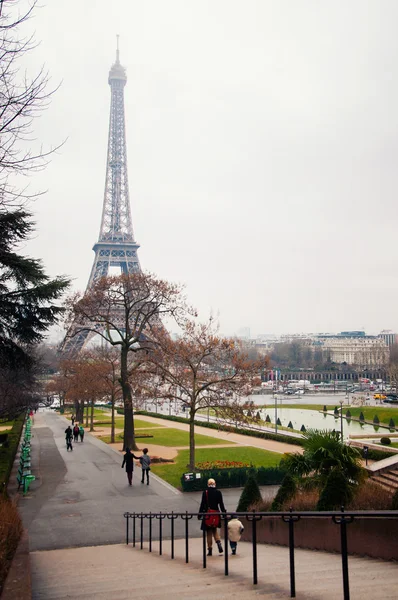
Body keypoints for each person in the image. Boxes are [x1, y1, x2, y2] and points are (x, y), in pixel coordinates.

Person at [199, 478, 226, 556]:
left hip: (208, 514)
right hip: (216, 514)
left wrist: (200, 514)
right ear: (215, 484)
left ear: (208, 484)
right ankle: (218, 542)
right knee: (214, 529)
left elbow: (202, 504)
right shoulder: (218, 492)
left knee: (209, 532)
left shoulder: (205, 492)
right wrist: (224, 513)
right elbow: (221, 504)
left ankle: (210, 549)